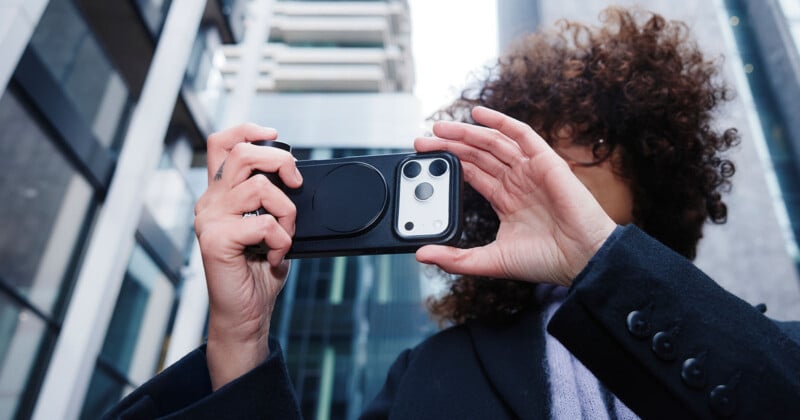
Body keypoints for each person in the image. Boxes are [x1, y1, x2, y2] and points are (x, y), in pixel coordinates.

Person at [105, 7, 800, 419]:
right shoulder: (430, 371)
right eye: (531, 136)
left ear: (657, 166)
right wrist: (239, 337)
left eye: (593, 137)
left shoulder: (764, 345)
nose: (554, 160)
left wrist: (602, 259)